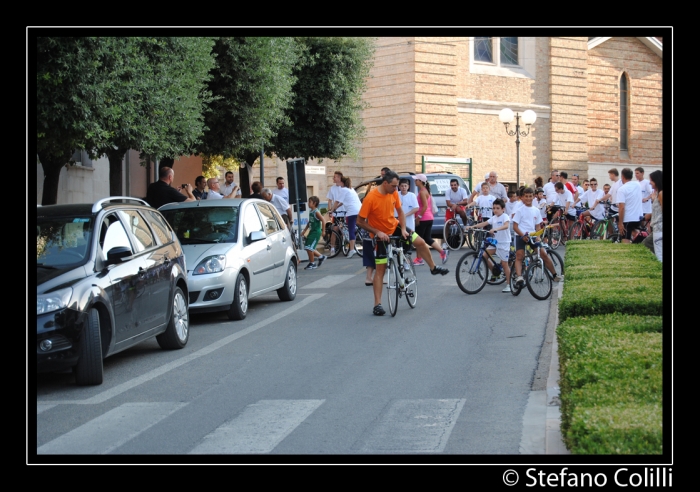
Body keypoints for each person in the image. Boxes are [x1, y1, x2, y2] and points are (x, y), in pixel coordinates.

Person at [357, 170, 448, 316]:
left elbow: (399, 212)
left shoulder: (393, 193)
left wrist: (404, 229)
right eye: (394, 186)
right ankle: (377, 305)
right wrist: (377, 232)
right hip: (380, 235)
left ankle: (433, 267)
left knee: (421, 242)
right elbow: (359, 221)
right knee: (380, 270)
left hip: (395, 227)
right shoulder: (371, 198)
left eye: (398, 186)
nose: (397, 189)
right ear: (385, 183)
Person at [512, 187, 563, 287]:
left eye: (530, 196)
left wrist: (538, 236)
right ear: (522, 197)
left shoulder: (536, 210)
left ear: (533, 197)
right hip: (521, 235)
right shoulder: (519, 210)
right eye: (526, 196)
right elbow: (515, 226)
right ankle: (519, 277)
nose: (528, 198)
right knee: (519, 256)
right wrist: (523, 235)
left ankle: (554, 275)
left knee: (543, 254)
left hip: (532, 235)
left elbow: (537, 226)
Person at [466, 198, 512, 292]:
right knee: (483, 256)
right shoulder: (494, 218)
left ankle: (509, 284)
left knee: (504, 264)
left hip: (504, 243)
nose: (495, 210)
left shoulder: (505, 216)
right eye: (494, 208)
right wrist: (473, 226)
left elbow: (506, 225)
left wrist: (496, 229)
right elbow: (484, 223)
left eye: (497, 208)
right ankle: (495, 272)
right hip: (495, 242)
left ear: (503, 209)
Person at [413, 174, 448, 265]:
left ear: (420, 181)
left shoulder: (422, 192)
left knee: (417, 239)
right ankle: (442, 252)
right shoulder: (425, 190)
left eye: (416, 180)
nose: (415, 181)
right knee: (427, 238)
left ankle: (419, 259)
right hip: (429, 218)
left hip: (423, 218)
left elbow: (424, 206)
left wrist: (418, 217)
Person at [328, 176, 362, 258]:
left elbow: (336, 202)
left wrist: (331, 211)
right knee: (356, 227)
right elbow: (342, 202)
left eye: (339, 182)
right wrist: (336, 208)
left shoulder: (343, 190)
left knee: (351, 230)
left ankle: (351, 250)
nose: (338, 184)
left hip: (351, 212)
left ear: (342, 183)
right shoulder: (351, 189)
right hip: (359, 210)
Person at [616, 168, 643, 243]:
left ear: (622, 177)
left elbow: (621, 207)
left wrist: (620, 223)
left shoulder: (621, 189)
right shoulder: (638, 185)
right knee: (635, 234)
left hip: (628, 218)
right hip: (638, 217)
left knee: (625, 240)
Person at [301, 196, 327, 270]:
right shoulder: (311, 212)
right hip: (312, 232)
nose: (308, 203)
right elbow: (309, 222)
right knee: (307, 247)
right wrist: (304, 231)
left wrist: (323, 230)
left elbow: (323, 220)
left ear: (314, 203)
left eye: (310, 202)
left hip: (316, 232)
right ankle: (321, 257)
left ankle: (312, 263)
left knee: (310, 248)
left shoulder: (316, 212)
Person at [643, 170, 662, 262]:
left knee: (659, 254)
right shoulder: (658, 193)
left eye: (651, 180)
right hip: (656, 227)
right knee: (647, 245)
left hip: (659, 228)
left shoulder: (661, 193)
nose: (650, 182)